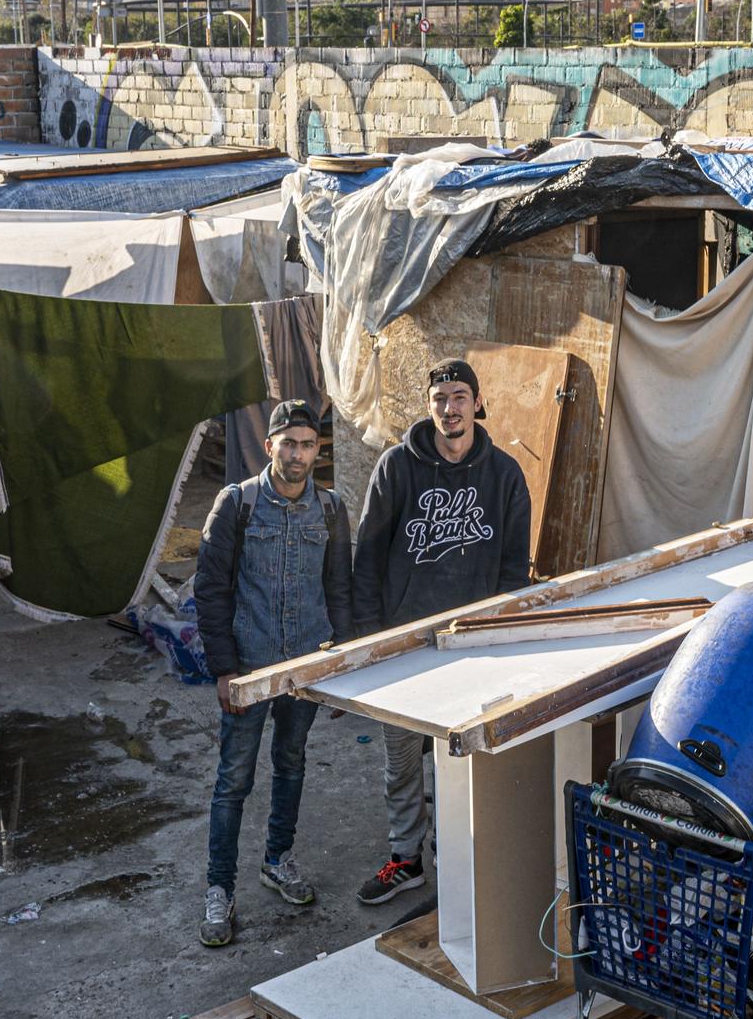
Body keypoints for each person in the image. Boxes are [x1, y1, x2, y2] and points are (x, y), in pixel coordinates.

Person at [351, 359, 532, 904]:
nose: (449, 409)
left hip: (471, 646)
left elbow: (511, 569)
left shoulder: (504, 476)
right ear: (428, 406)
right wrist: (369, 639)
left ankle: (460, 860)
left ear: (477, 403)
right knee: (401, 760)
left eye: (459, 397)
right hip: (404, 643)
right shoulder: (396, 468)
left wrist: (498, 639)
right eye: (439, 399)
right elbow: (369, 556)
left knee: (464, 760)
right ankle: (407, 860)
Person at [193, 399, 352, 947]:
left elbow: (340, 590)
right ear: (270, 447)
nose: (298, 454)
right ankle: (219, 889)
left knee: (291, 764)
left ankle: (278, 859)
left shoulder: (330, 510)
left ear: (317, 450)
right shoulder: (236, 504)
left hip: (304, 668)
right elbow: (209, 591)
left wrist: (340, 664)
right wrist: (224, 670)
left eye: (308, 445)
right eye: (288, 443)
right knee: (233, 779)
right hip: (250, 668)